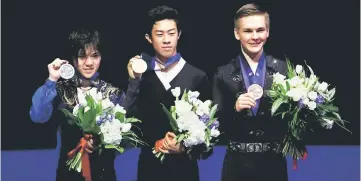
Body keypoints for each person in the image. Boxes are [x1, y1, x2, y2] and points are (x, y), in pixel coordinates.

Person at [29, 28, 139, 181]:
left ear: (101, 58)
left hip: (104, 174)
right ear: (74, 60)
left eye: (95, 56)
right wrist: (52, 80)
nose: (89, 63)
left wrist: (102, 141)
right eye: (82, 57)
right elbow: (38, 116)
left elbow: (126, 134)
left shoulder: (112, 93)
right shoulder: (62, 91)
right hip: (68, 175)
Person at [126, 5, 212, 181]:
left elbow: (210, 135)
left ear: (179, 35)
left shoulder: (197, 77)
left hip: (185, 170)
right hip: (149, 168)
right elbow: (127, 124)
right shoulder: (141, 76)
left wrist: (185, 147)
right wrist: (133, 81)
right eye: (159, 34)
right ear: (148, 38)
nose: (166, 40)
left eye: (171, 33)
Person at [212, 3, 289, 181]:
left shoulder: (284, 71)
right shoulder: (223, 73)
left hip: (274, 164)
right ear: (236, 33)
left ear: (268, 32)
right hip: (237, 165)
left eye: (260, 30)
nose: (255, 37)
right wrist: (234, 109)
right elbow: (215, 125)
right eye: (248, 31)